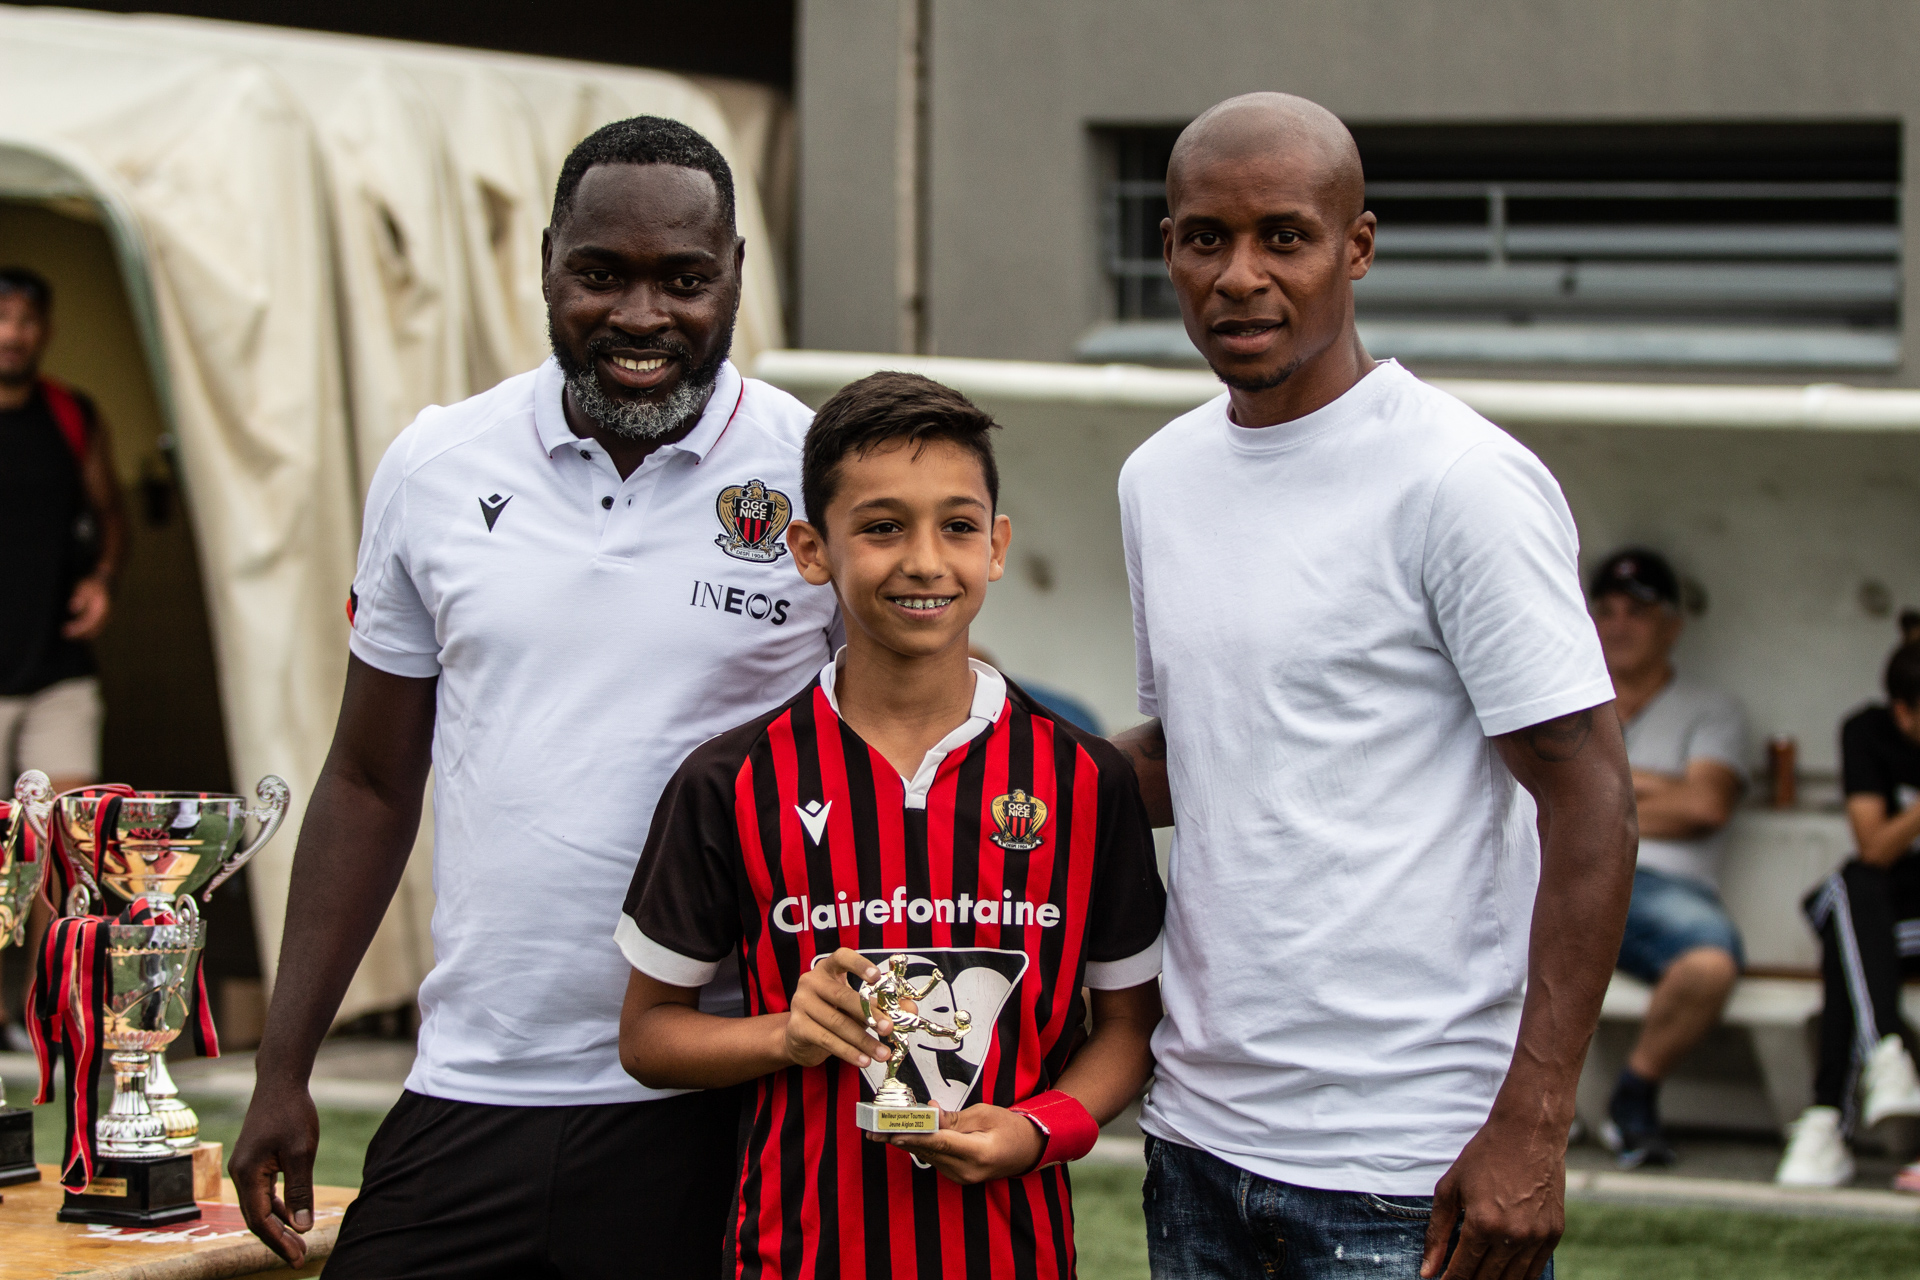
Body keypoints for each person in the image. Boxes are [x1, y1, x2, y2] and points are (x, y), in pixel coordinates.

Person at [230, 117, 842, 1277]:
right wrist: (282, 1064)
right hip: (475, 1079)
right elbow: (368, 780)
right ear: (548, 261)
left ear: (735, 275)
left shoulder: (814, 470)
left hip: (720, 1088)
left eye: (684, 279)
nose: (641, 316)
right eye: (601, 273)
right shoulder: (436, 463)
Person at [1107, 93, 1636, 1280]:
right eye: (1207, 238)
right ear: (1169, 250)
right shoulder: (1159, 477)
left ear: (1357, 247)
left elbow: (1593, 800)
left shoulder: (1461, 479)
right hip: (1195, 1137)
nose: (1240, 276)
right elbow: (1202, 747)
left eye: (1284, 237)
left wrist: (1535, 1122)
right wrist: (963, 764)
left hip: (1411, 1157)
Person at [618, 372, 1166, 1277]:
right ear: (811, 550)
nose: (924, 560)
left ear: (996, 546)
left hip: (1012, 1258)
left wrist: (1038, 1130)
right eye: (881, 527)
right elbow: (648, 1036)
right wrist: (784, 1035)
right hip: (794, 1256)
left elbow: (1130, 1027)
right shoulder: (731, 779)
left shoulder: (1083, 779)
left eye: (957, 526)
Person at [1589, 547, 1747, 1168]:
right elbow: (1534, 803)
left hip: (1664, 887)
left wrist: (1604, 796)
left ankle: (1633, 1097)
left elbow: (1704, 805)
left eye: (1638, 611)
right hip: (1569, 878)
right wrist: (1660, 785)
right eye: (1606, 610)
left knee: (1709, 964)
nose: (1619, 624)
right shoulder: (1568, 703)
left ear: (1672, 626)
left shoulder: (1711, 709)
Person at [0, 265, 125, 1048]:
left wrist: (102, 579)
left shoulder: (71, 415)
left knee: (62, 844)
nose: (11, 333)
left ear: (44, 330)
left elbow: (110, 512)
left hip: (56, 671)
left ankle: (40, 1011)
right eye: (1, 317)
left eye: (25, 319)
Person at [1775, 636, 1920, 1193]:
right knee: (1856, 890)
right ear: (1903, 712)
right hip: (1888, 917)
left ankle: (1830, 1115)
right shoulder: (1867, 732)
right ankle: (1884, 1053)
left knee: (1843, 917)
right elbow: (1875, 847)